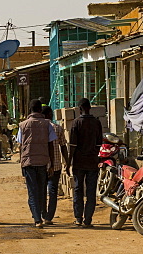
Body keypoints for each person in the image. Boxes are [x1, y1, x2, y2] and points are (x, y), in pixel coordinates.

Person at [17, 99, 56, 228]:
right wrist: (52, 163)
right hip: (43, 161)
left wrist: (22, 161)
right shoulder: (47, 124)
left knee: (32, 191)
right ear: (40, 110)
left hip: (28, 162)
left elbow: (20, 145)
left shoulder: (22, 125)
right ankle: (40, 214)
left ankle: (37, 219)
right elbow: (51, 145)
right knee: (42, 190)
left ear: (30, 110)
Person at [67, 97, 103, 227]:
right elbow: (99, 144)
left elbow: (72, 146)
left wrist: (69, 162)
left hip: (79, 162)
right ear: (89, 108)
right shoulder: (97, 123)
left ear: (80, 109)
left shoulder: (76, 123)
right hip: (92, 161)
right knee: (91, 191)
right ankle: (88, 219)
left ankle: (78, 218)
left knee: (78, 190)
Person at [41, 106, 69, 225]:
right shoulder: (57, 128)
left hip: (41, 164)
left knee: (42, 190)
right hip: (56, 165)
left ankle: (42, 213)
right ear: (50, 115)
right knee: (53, 191)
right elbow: (63, 146)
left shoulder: (39, 129)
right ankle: (49, 217)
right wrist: (67, 162)